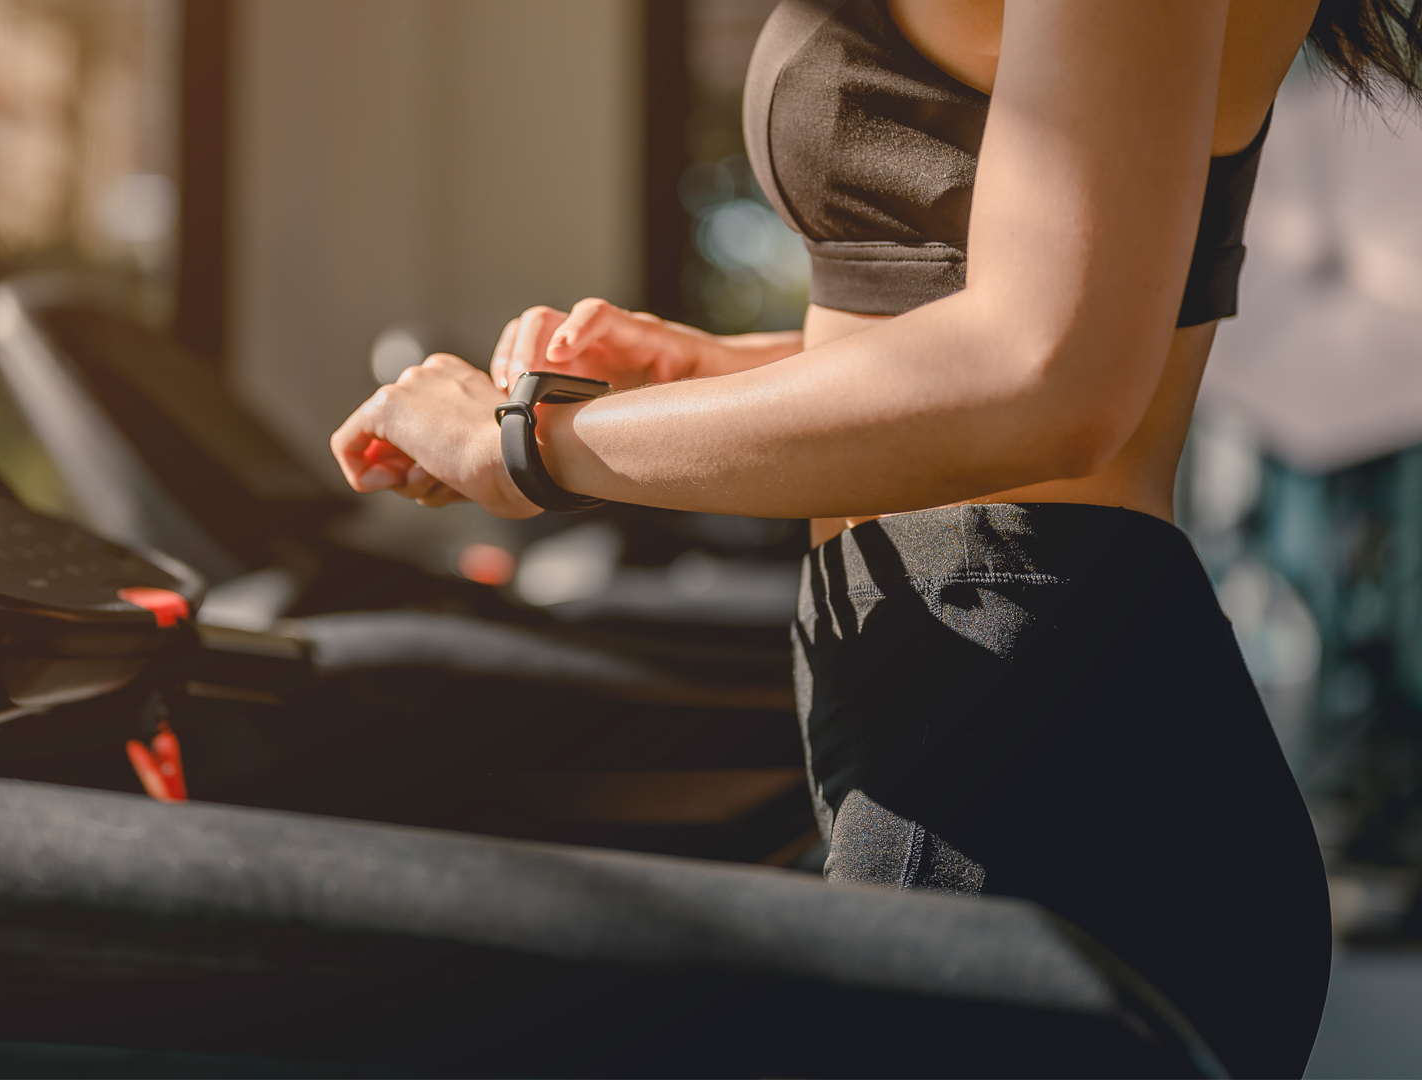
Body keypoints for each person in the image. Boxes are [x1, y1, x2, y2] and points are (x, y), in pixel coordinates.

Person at [330, 1, 1422, 1074]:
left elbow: (1046, 375)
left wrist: (529, 447)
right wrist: (708, 375)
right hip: (985, 716)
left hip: (1028, 751)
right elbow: (1005, 330)